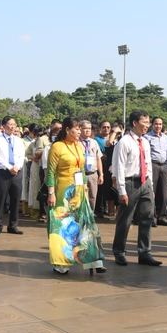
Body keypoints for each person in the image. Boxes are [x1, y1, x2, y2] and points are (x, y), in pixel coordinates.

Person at [46, 117, 105, 275]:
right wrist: (51, 193)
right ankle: (61, 263)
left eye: (81, 129)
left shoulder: (78, 146)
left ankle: (92, 260)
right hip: (62, 192)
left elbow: (81, 170)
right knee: (63, 226)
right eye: (77, 129)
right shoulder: (57, 147)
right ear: (67, 130)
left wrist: (85, 187)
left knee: (86, 224)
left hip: (79, 192)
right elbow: (50, 172)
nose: (80, 131)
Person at [112, 110, 161, 266]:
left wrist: (151, 186)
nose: (147, 125)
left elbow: (148, 165)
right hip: (129, 183)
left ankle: (145, 252)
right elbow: (118, 167)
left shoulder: (145, 142)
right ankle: (119, 252)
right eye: (144, 122)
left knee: (147, 218)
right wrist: (121, 190)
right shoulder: (124, 142)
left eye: (148, 122)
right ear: (134, 123)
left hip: (145, 182)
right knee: (125, 220)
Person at [0, 116, 25, 236]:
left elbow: (21, 156)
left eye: (14, 124)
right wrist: (9, 167)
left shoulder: (18, 140)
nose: (12, 127)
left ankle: (13, 225)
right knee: (0, 199)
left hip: (17, 172)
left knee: (15, 200)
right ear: (4, 126)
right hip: (3, 172)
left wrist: (17, 167)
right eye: (10, 124)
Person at [144, 116, 167, 227]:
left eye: (160, 124)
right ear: (152, 125)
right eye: (156, 124)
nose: (158, 126)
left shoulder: (165, 138)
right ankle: (152, 217)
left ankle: (162, 217)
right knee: (152, 192)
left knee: (164, 193)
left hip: (164, 166)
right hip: (153, 166)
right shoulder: (147, 137)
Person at [79, 121, 104, 212]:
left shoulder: (94, 142)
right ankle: (81, 217)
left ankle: (90, 216)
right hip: (80, 174)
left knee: (93, 196)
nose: (87, 130)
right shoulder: (76, 142)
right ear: (80, 129)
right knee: (81, 196)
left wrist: (101, 174)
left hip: (93, 174)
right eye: (85, 128)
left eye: (89, 128)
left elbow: (98, 159)